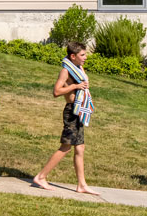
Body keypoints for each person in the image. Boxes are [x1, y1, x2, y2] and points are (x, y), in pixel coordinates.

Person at [32, 41, 98, 195]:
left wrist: (88, 99)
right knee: (66, 147)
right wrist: (75, 86)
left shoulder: (79, 69)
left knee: (80, 148)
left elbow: (84, 87)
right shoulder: (66, 71)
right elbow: (56, 91)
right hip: (71, 112)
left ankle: (81, 185)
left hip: (79, 111)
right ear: (73, 56)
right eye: (82, 55)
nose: (85, 57)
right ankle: (41, 176)